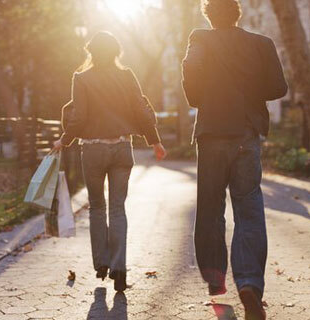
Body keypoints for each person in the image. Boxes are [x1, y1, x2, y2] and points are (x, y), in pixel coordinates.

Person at [182, 0, 287, 319]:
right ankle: (250, 284)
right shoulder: (261, 44)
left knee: (211, 206)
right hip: (246, 132)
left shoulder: (199, 38)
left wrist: (201, 98)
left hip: (212, 131)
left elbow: (190, 72)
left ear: (208, 14)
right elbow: (278, 87)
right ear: (238, 13)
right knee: (249, 206)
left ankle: (215, 278)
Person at [53, 31, 166, 292]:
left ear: (90, 52)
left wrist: (65, 139)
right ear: (117, 52)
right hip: (122, 148)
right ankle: (120, 268)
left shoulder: (81, 78)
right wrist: (155, 140)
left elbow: (79, 115)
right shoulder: (126, 75)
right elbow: (140, 108)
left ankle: (101, 263)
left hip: (92, 150)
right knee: (117, 209)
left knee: (97, 207)